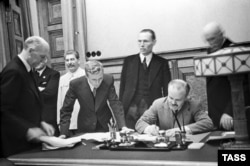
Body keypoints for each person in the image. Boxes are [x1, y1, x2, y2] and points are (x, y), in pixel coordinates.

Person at [0, 36, 55, 157]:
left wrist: (41, 122)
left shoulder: (27, 70)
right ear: (30, 51)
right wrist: (27, 130)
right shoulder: (14, 71)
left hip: (28, 143)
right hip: (16, 144)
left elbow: (26, 104)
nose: (44, 60)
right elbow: (3, 110)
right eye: (42, 56)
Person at [60, 60, 132, 137]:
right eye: (94, 80)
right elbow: (66, 109)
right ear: (86, 76)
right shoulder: (75, 84)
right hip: (85, 125)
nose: (97, 83)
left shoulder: (108, 80)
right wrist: (63, 133)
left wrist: (123, 126)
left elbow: (115, 103)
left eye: (100, 78)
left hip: (106, 125)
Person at [120, 29, 171, 129]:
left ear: (154, 42)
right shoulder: (128, 61)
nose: (141, 44)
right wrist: (122, 110)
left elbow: (167, 89)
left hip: (152, 108)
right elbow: (122, 87)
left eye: (145, 41)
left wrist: (166, 111)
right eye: (139, 41)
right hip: (130, 109)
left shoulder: (162, 63)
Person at [203, 22, 250, 130]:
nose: (210, 43)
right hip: (216, 115)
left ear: (221, 34)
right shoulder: (210, 52)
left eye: (213, 39)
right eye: (207, 40)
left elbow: (245, 87)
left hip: (232, 115)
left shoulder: (236, 52)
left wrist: (230, 112)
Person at [135, 79, 214, 136]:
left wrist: (182, 130)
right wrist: (149, 129)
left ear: (186, 97)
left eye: (178, 100)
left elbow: (208, 123)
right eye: (171, 98)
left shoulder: (194, 105)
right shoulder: (158, 104)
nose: (173, 102)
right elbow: (140, 123)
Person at [57, 50, 85, 135]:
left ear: (78, 61)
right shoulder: (62, 79)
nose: (70, 62)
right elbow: (59, 102)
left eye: (72, 59)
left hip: (84, 122)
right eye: (67, 60)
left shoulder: (86, 76)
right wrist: (59, 122)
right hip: (68, 124)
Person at [33, 56, 60, 135]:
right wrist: (40, 89)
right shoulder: (30, 75)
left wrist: (33, 92)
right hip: (34, 118)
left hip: (48, 117)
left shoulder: (54, 74)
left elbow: (50, 93)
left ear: (45, 60)